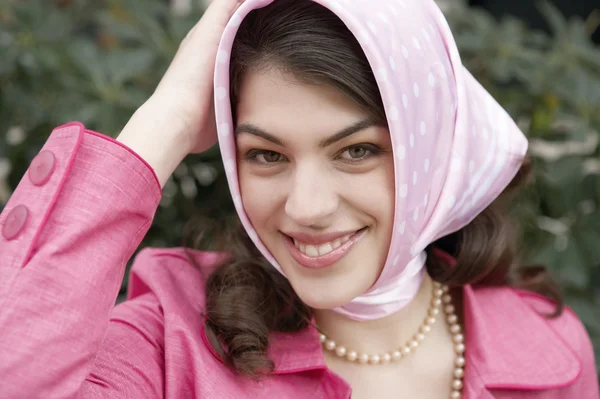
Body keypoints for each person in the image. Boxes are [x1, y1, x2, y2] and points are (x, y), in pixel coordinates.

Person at [0, 0, 597, 398]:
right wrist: (170, 119)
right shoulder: (170, 343)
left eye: (357, 150)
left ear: (433, 149)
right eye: (266, 155)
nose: (305, 207)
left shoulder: (550, 352)